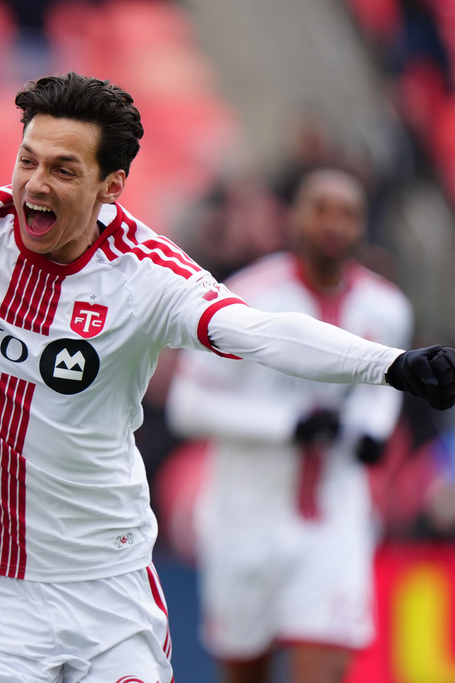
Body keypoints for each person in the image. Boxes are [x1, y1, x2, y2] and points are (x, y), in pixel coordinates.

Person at [0, 70, 455, 682]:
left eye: (64, 169)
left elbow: (257, 330)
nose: (34, 182)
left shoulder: (146, 277)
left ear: (111, 184)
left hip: (107, 587)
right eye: (27, 159)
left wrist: (389, 365)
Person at [164, 166, 413, 683]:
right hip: (246, 520)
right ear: (294, 217)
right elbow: (187, 405)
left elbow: (381, 393)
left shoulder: (386, 308)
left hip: (336, 519)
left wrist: (373, 430)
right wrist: (286, 425)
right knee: (244, 670)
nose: (333, 224)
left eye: (347, 213)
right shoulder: (245, 299)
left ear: (362, 225)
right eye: (321, 208)